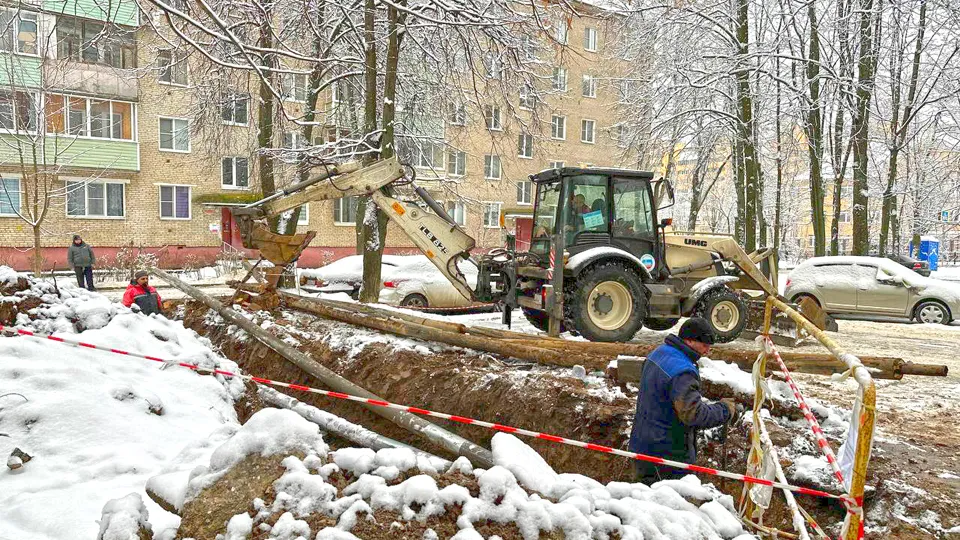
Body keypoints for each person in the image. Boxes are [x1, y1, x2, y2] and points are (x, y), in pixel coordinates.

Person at [628, 317, 736, 484]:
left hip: (641, 446)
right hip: (668, 458)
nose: (707, 351)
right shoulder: (683, 372)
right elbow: (693, 415)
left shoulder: (658, 353)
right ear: (690, 340)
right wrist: (725, 410)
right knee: (670, 507)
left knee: (641, 503)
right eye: (705, 345)